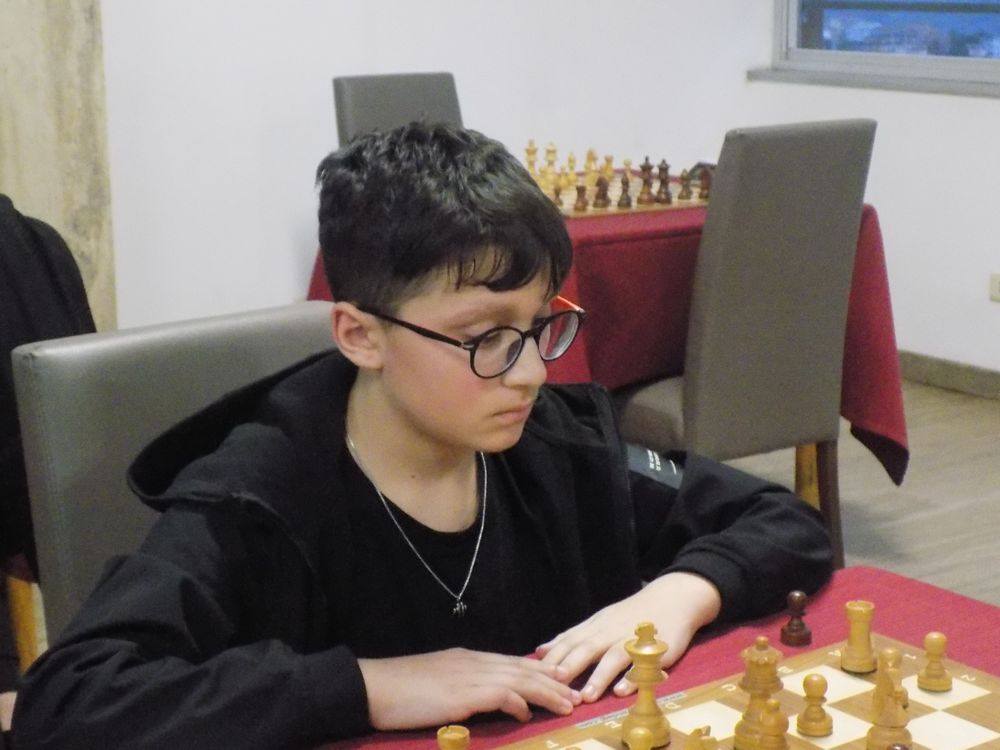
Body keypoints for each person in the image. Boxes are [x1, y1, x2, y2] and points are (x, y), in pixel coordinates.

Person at [12, 123, 832, 749]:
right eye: (484, 337)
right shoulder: (258, 496)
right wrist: (366, 687)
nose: (529, 373)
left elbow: (785, 522)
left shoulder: (556, 442)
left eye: (538, 326)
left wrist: (677, 594)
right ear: (359, 335)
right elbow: (71, 699)